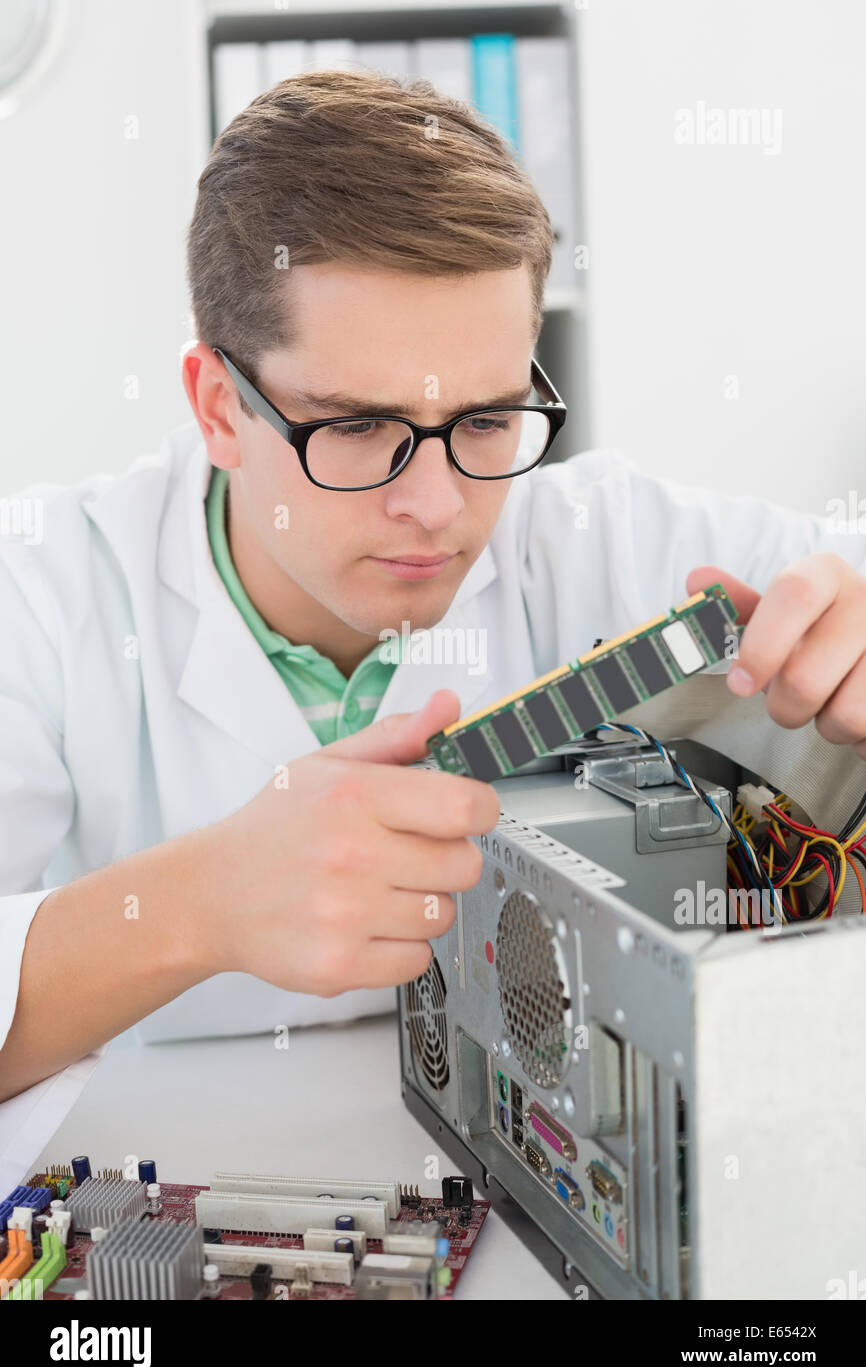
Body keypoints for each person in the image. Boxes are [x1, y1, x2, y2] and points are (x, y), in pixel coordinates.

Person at [1, 70, 864, 1194]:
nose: (438, 505)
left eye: (485, 419)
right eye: (359, 427)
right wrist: (196, 903)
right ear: (217, 406)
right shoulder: (46, 593)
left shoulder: (602, 532)